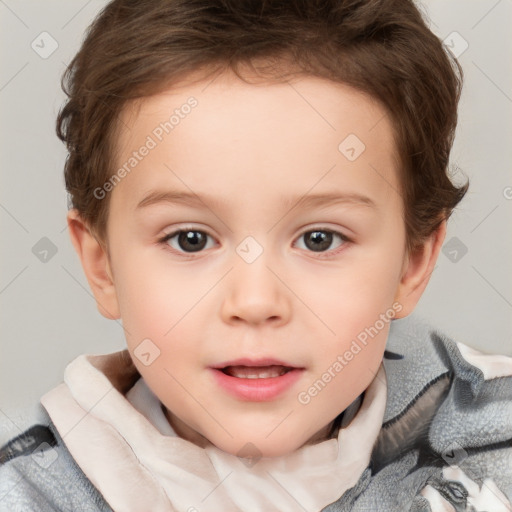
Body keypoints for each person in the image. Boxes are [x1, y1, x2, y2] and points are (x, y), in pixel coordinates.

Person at [1, 0, 511, 510]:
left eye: (319, 239)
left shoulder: (494, 445)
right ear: (102, 266)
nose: (255, 301)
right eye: (190, 239)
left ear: (412, 262)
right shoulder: (26, 491)